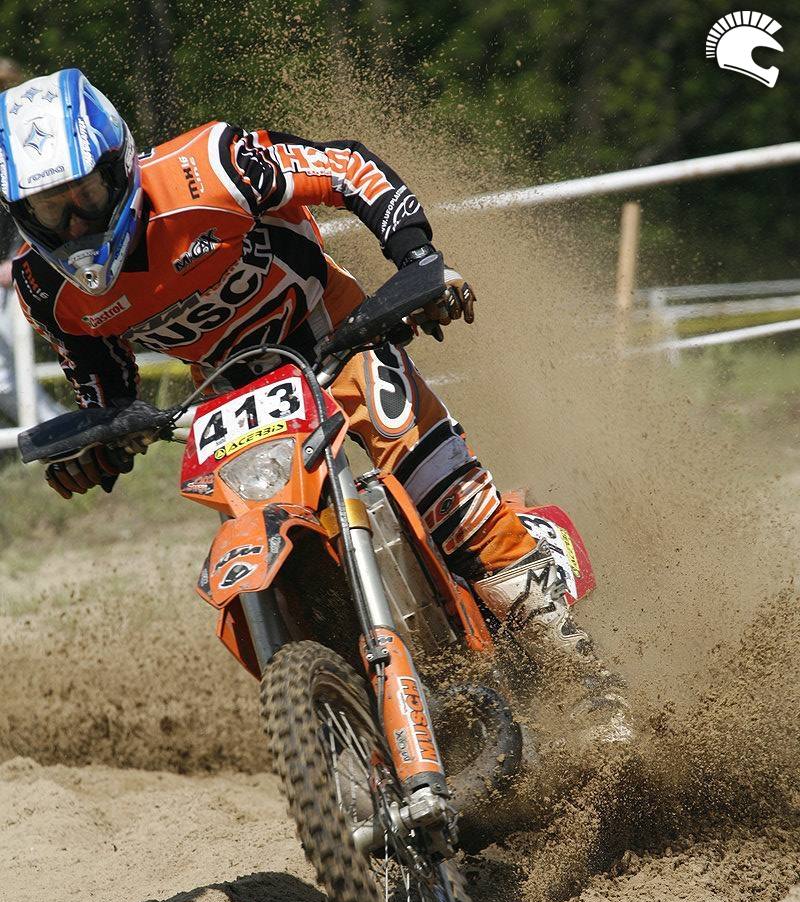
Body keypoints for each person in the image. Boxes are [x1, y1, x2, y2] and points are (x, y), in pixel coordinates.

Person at [0, 68, 629, 731]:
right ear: (20, 212)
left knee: (452, 503)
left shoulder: (210, 169)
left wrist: (418, 259)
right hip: (230, 398)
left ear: (119, 166)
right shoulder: (43, 287)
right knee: (263, 545)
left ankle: (589, 687)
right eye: (49, 208)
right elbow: (108, 391)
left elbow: (347, 168)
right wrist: (100, 445)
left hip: (338, 337)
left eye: (85, 193)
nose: (74, 221)